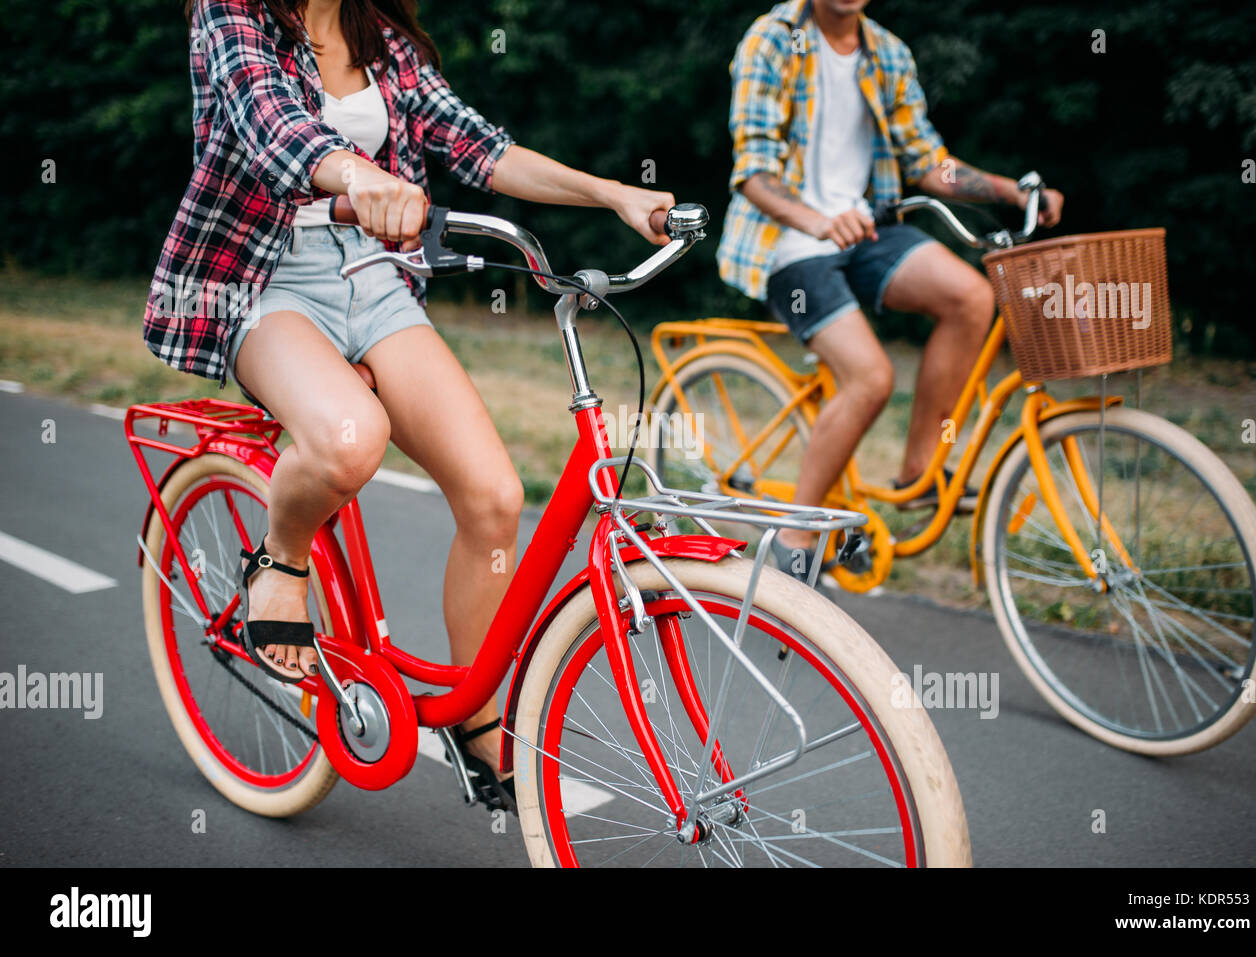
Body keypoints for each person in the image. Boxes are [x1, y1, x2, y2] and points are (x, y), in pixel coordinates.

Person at [143, 0, 674, 808]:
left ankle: (476, 714)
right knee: (352, 438)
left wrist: (612, 196)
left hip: (373, 279)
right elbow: (271, 128)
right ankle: (279, 559)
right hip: (261, 278)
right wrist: (361, 173)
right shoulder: (231, 11)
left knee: (495, 498)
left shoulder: (379, 37)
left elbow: (482, 149)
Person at [715, 0, 1063, 574]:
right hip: (789, 244)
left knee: (972, 298)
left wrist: (1012, 192)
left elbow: (929, 162)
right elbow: (753, 171)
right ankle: (794, 540)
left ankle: (919, 471)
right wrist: (817, 220)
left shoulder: (888, 52)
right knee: (871, 377)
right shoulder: (771, 41)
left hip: (866, 230)